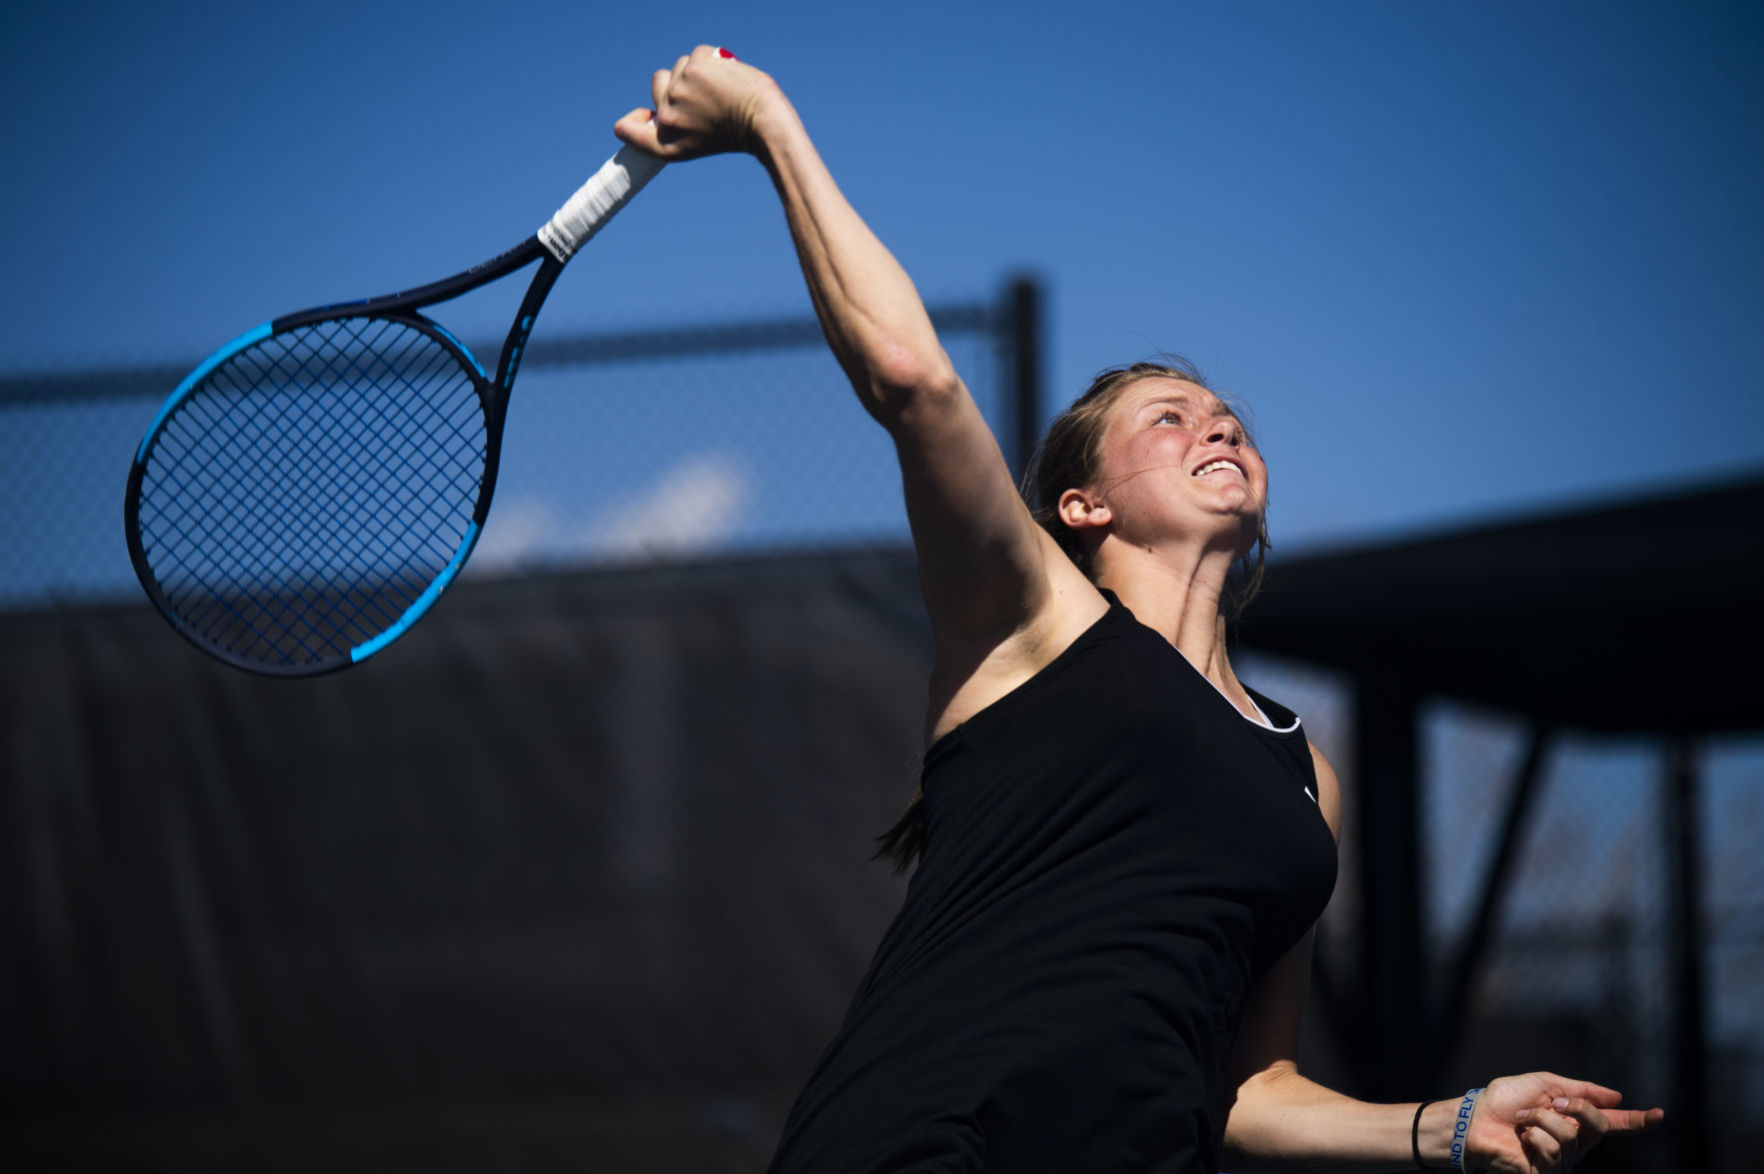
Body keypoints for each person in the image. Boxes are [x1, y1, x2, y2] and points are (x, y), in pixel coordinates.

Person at [613, 46, 1665, 1174]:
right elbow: (910, 375)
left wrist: (1450, 1124)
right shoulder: (1031, 622)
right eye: (1168, 418)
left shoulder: (1311, 781)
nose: (1217, 425)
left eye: (1227, 416)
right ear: (1083, 505)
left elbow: (1253, 1089)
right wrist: (767, 121)